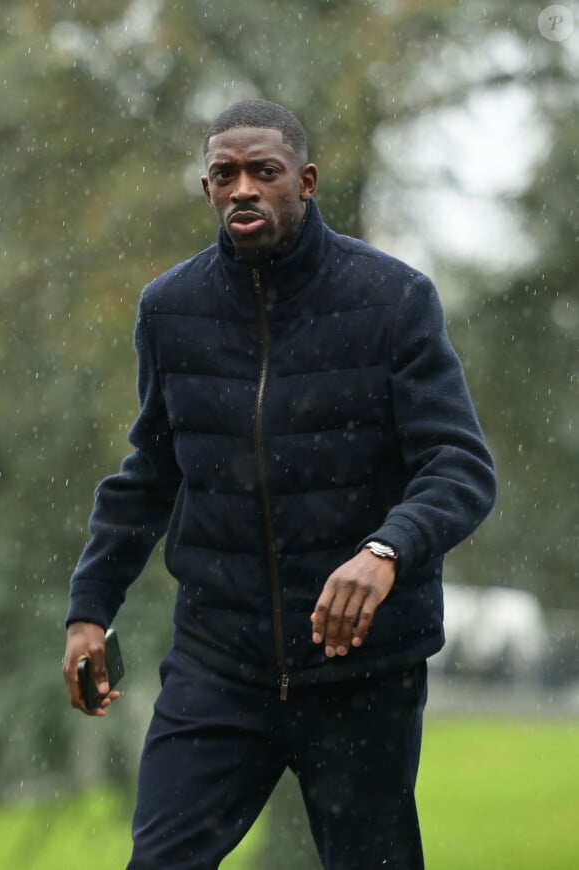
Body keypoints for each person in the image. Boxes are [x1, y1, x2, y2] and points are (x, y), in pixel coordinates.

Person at [63, 99, 496, 869]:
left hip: (361, 674)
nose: (242, 190)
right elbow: (149, 474)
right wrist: (89, 610)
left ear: (306, 180)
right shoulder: (170, 309)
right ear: (206, 190)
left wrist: (387, 551)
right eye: (223, 175)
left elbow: (459, 467)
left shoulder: (393, 299)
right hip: (218, 666)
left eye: (262, 172)